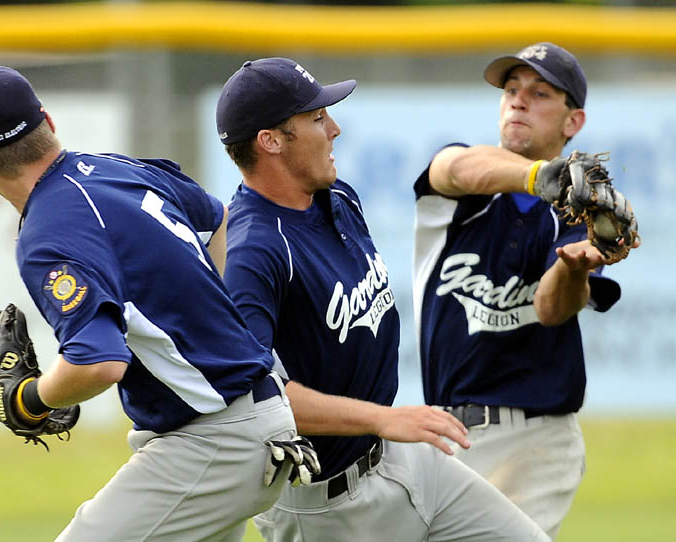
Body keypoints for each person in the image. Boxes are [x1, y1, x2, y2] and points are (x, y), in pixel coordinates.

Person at [0, 65, 304, 542]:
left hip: (215, 441)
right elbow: (219, 220)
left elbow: (98, 362)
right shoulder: (120, 169)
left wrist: (28, 399)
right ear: (48, 122)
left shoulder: (47, 233)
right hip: (250, 420)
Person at [217, 57, 549, 542]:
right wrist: (386, 418)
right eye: (316, 118)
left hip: (402, 458)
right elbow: (259, 402)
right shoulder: (254, 252)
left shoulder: (338, 197)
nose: (334, 128)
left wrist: (387, 424)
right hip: (328, 508)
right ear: (270, 140)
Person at [413, 42, 638, 539]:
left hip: (535, 440)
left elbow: (550, 308)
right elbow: (450, 170)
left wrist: (574, 268)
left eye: (540, 94)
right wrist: (540, 177)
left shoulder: (578, 215)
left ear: (572, 122)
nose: (519, 100)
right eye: (511, 90)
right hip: (443, 434)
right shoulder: (465, 176)